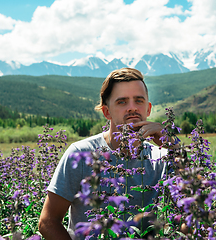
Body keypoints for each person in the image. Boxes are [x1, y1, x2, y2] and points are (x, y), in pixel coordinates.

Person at [38, 68, 168, 239]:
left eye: (139, 101)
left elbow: (191, 219)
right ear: (107, 112)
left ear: (148, 108)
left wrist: (175, 149)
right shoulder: (81, 154)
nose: (132, 108)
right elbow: (48, 222)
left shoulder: (163, 158)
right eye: (122, 102)